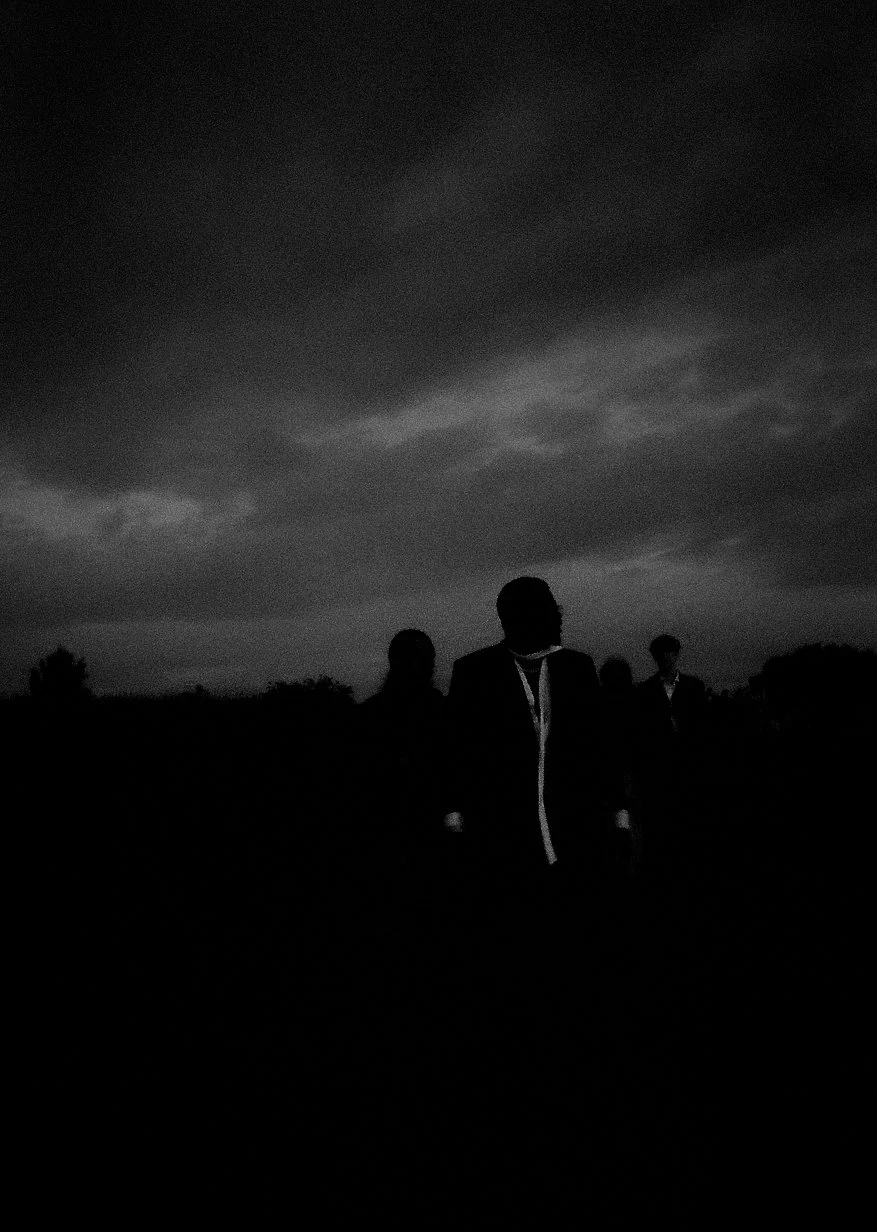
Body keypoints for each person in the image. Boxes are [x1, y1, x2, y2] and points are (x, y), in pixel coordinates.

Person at [633, 633, 708, 880]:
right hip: (659, 771)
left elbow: (703, 729)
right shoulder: (645, 692)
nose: (665, 658)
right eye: (661, 653)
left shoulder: (694, 688)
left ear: (676, 655)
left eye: (669, 652)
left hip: (686, 768)